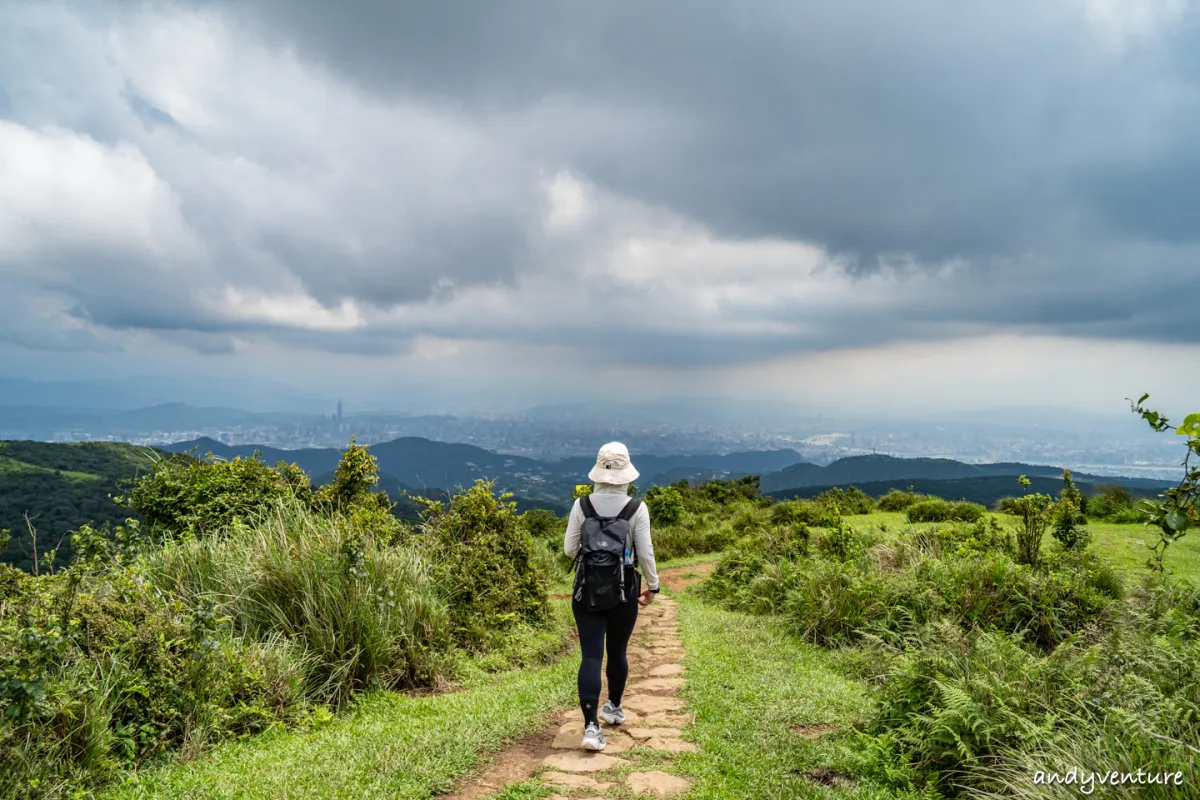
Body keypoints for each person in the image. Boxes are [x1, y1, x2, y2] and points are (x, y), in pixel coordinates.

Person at [563, 441, 660, 751]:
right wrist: (653, 585)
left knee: (591, 656)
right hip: (624, 590)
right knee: (617, 651)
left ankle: (591, 728)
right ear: (626, 474)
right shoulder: (636, 508)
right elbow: (645, 553)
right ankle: (613, 708)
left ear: (598, 473)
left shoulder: (582, 506)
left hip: (585, 590)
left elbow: (569, 550)